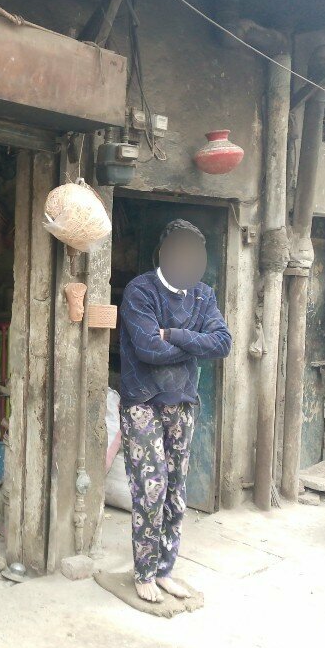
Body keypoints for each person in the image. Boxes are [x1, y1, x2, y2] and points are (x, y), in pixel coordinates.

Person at [117, 219, 232, 603]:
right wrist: (196, 343)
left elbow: (223, 343)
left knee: (176, 493)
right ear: (163, 253)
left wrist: (177, 336)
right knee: (150, 489)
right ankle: (144, 572)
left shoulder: (203, 296)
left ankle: (166, 569)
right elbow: (149, 350)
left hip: (182, 403)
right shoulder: (140, 291)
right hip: (143, 404)